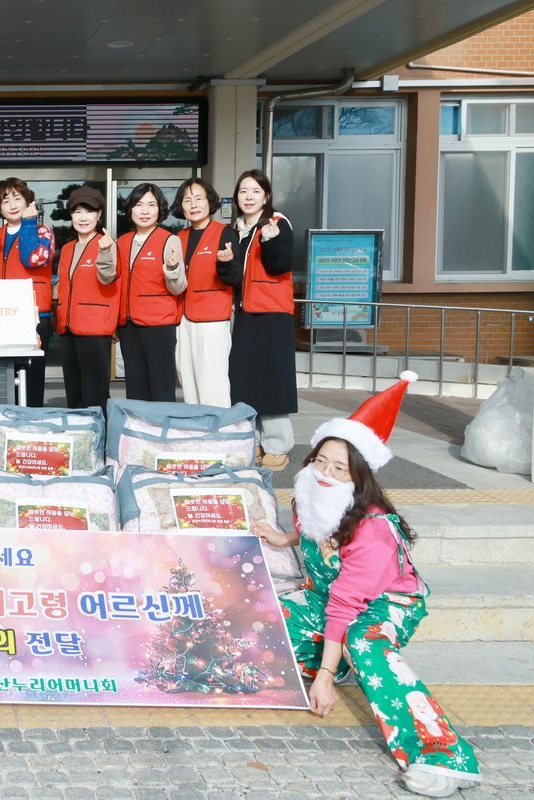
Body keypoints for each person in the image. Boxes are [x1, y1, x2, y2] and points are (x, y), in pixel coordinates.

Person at [253, 372, 480, 797]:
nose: (325, 473)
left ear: (359, 476)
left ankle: (443, 755)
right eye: (320, 461)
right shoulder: (311, 494)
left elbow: (346, 604)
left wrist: (322, 677)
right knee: (265, 617)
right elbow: (314, 531)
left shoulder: (373, 529)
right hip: (327, 596)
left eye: (339, 468)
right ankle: (339, 662)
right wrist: (285, 539)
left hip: (386, 604)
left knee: (363, 640)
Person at [228, 168, 297, 470]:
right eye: (243, 191)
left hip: (272, 313)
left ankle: (277, 445)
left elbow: (282, 265)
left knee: (272, 380)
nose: (249, 197)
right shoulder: (235, 229)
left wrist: (270, 240)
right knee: (245, 379)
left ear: (266, 196)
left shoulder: (276, 224)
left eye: (256, 191)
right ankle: (253, 442)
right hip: (244, 313)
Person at [0, 177, 55, 407]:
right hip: (1, 314)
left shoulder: (43, 232)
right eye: (6, 201)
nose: (13, 205)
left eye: (18, 198)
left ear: (28, 202)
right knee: (5, 376)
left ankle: (31, 421)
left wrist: (28, 224)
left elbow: (32, 258)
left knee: (32, 377)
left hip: (34, 315)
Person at [171, 178, 238, 408]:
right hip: (183, 318)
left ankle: (219, 427)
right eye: (187, 200)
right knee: (187, 378)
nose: (193, 204)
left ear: (210, 202)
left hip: (212, 319)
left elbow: (235, 278)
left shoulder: (225, 233)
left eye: (199, 198)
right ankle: (196, 426)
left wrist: (225, 263)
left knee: (212, 381)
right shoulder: (179, 237)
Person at [115, 183, 186, 402]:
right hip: (128, 325)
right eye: (139, 205)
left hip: (158, 324)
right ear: (130, 209)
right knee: (135, 386)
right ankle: (138, 424)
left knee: (161, 385)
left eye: (151, 205)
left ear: (160, 209)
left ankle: (162, 424)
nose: (144, 211)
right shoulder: (122, 241)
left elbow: (178, 287)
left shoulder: (169, 240)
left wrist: (172, 268)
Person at [54, 186, 118, 410]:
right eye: (77, 211)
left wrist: (105, 252)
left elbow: (108, 278)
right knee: (74, 393)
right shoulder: (68, 248)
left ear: (99, 215)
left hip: (94, 328)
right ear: (71, 215)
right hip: (68, 327)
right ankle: (78, 430)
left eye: (89, 211)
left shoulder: (106, 244)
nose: (83, 217)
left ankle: (98, 432)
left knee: (95, 394)